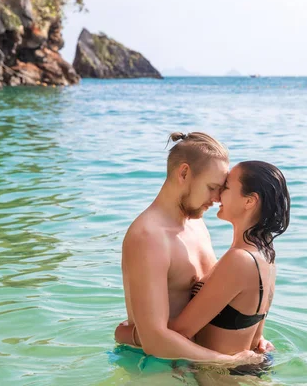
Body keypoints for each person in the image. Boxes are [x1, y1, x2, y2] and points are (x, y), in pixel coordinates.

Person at [117, 153, 290, 375]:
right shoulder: (265, 256)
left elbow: (180, 331)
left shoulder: (239, 259)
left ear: (249, 201)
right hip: (247, 373)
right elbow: (255, 334)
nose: (218, 196)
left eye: (225, 187)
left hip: (222, 378)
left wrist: (126, 333)